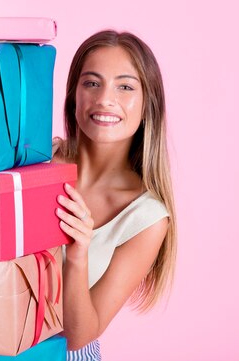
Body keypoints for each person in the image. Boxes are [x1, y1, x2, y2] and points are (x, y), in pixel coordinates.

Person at [51, 30, 177, 361]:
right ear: (72, 97)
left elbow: (80, 336)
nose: (105, 99)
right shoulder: (35, 164)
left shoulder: (147, 217)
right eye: (92, 83)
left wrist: (78, 255)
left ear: (148, 106)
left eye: (125, 87)